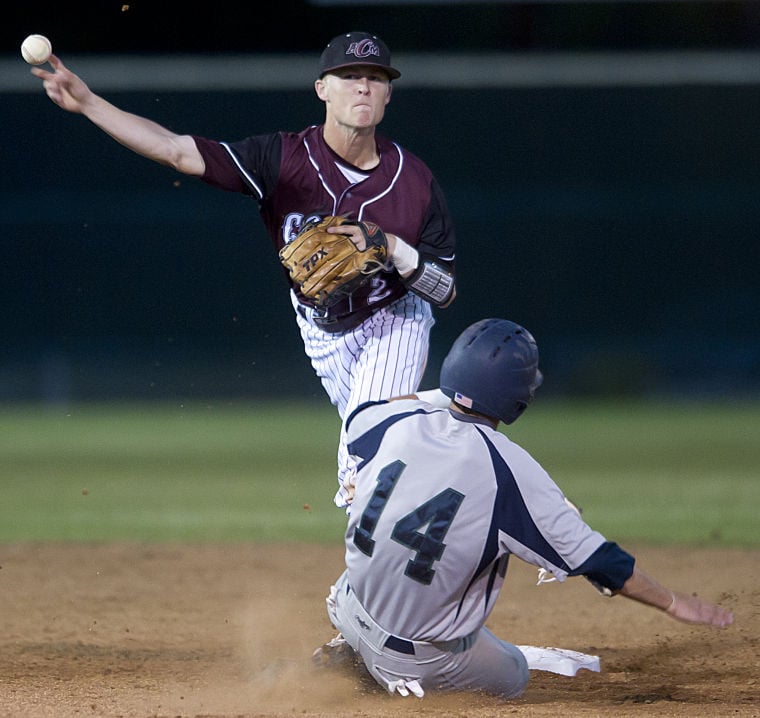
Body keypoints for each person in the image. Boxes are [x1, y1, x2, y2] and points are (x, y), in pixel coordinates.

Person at [30, 31, 456, 509]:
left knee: (365, 461)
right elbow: (175, 150)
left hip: (392, 320)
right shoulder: (283, 158)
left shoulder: (414, 181)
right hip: (319, 328)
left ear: (388, 94)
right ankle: (449, 414)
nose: (363, 87)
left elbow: (444, 289)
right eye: (350, 76)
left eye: (376, 78)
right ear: (322, 89)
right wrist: (89, 103)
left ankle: (362, 583)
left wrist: (394, 247)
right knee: (392, 451)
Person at [318, 318, 734, 699]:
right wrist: (674, 602)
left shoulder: (385, 419)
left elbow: (392, 404)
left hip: (347, 605)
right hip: (416, 662)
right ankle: (376, 675)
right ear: (519, 396)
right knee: (514, 672)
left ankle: (352, 647)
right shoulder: (510, 471)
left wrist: (451, 391)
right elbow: (600, 561)